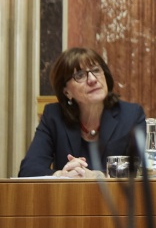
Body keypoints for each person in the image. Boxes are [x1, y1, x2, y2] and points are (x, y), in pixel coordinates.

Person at [18, 47, 146, 178]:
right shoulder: (54, 116)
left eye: (96, 70)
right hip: (70, 198)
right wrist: (61, 175)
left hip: (116, 198)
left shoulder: (131, 115)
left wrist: (97, 176)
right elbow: (28, 170)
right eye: (80, 75)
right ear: (66, 92)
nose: (92, 79)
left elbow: (144, 169)